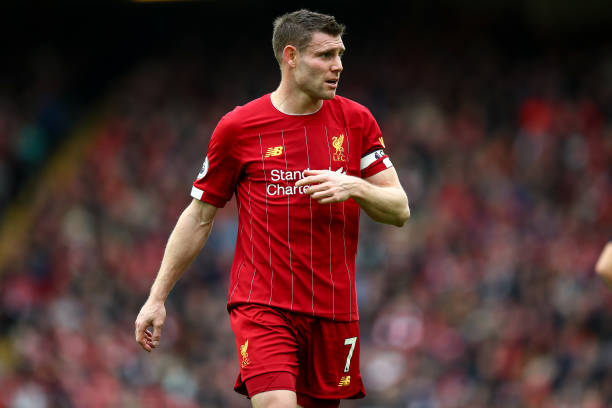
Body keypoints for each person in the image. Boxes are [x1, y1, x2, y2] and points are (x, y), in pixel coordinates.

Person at [134, 9, 410, 408]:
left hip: (333, 309)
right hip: (263, 305)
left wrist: (353, 186)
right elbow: (198, 215)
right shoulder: (238, 127)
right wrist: (156, 297)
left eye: (340, 55)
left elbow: (398, 208)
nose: (338, 66)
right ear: (291, 56)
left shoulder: (357, 121)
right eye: (326, 56)